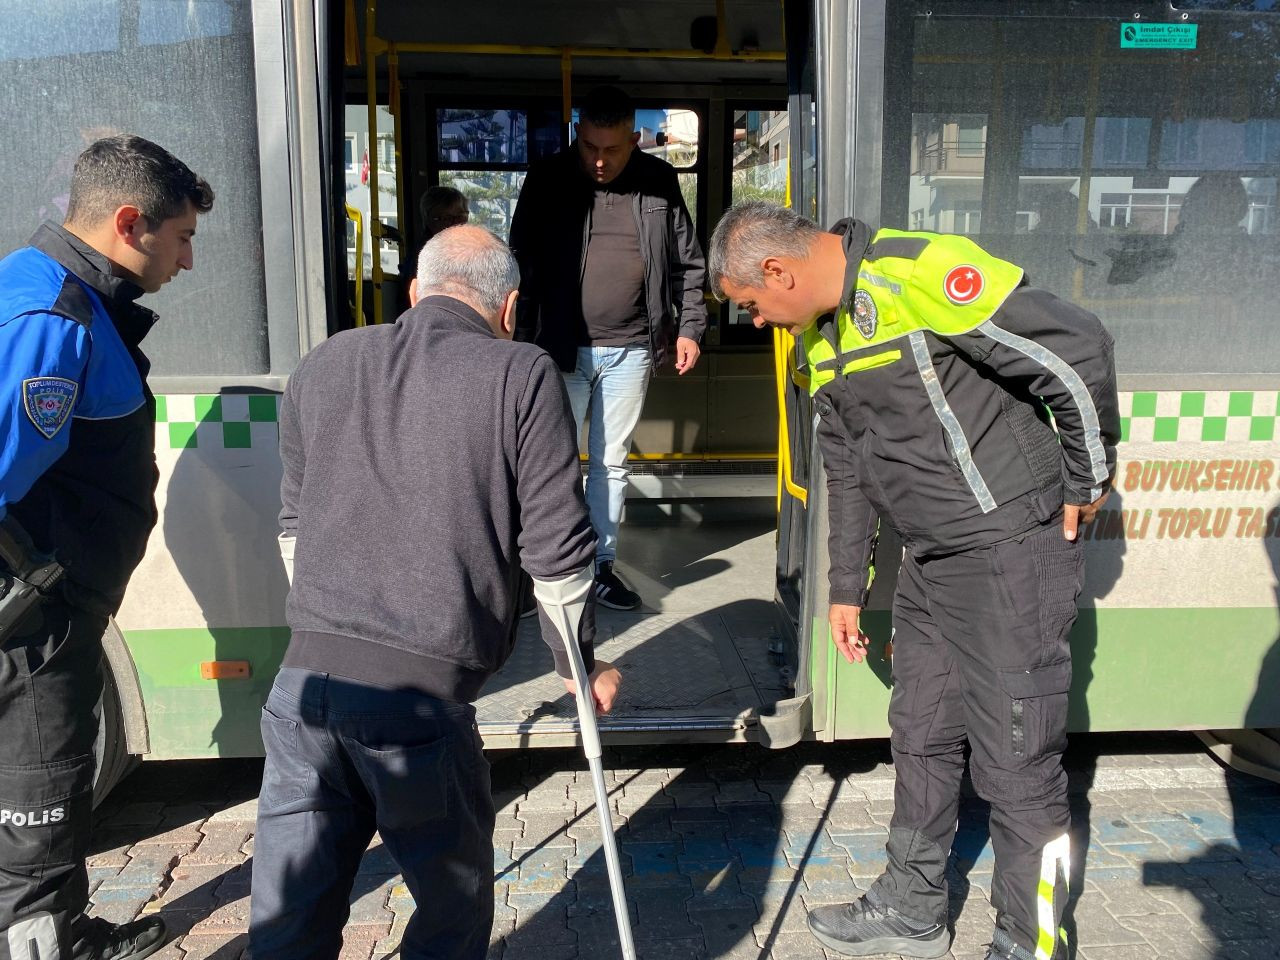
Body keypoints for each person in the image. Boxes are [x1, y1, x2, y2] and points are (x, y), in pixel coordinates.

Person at [709, 201, 1120, 960]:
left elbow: (1075, 346)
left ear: (778, 270)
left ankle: (1035, 941)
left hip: (1008, 552)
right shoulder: (819, 342)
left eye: (753, 305)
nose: (760, 320)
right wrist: (844, 584)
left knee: (1018, 763)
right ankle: (913, 905)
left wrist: (1087, 476)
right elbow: (846, 467)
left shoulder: (918, 271)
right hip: (930, 562)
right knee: (922, 735)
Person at [248, 225, 623, 960]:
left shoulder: (324, 363)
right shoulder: (521, 374)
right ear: (508, 307)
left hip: (300, 693)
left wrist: (337, 622)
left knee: (290, 917)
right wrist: (578, 666)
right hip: (415, 704)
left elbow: (294, 528)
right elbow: (557, 553)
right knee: (451, 913)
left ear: (415, 294)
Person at [0, 134, 213, 960]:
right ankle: (46, 945)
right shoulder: (54, 321)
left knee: (39, 780)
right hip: (37, 615)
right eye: (181, 237)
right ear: (130, 222)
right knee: (40, 787)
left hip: (50, 598)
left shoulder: (43, 282)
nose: (187, 260)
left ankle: (59, 929)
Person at [509, 85, 707, 610]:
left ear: (634, 140)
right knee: (550, 464)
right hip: (558, 347)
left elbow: (689, 264)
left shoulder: (660, 183)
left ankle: (600, 565)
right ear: (578, 135)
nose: (599, 160)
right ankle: (543, 570)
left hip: (632, 349)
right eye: (590, 147)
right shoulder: (547, 179)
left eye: (612, 149)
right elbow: (518, 264)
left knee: (611, 464)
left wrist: (689, 328)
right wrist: (514, 340)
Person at [395, 185, 470, 313]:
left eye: (460, 217)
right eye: (446, 219)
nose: (454, 224)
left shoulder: (469, 249)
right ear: (429, 221)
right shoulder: (424, 255)